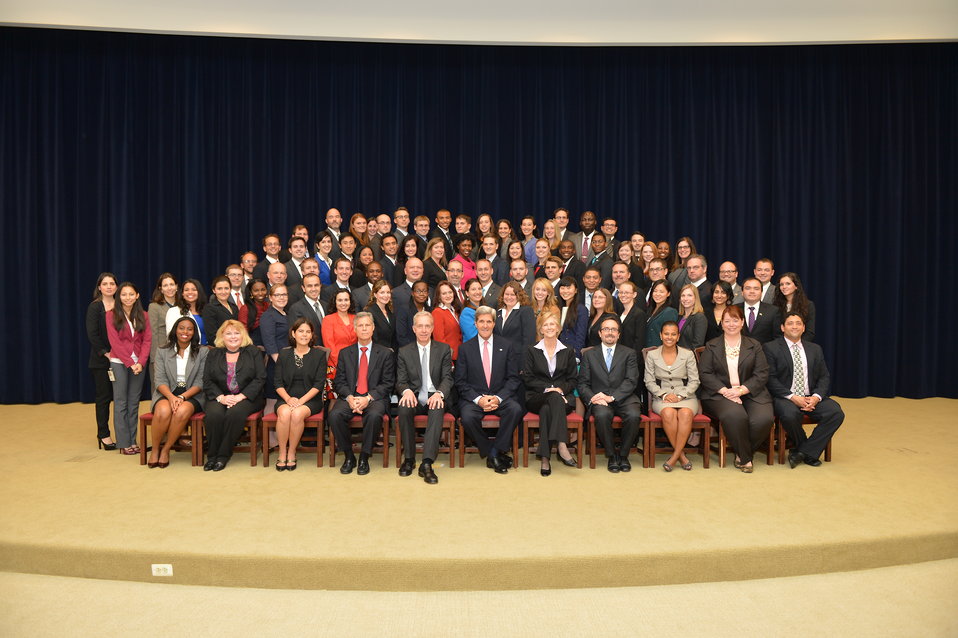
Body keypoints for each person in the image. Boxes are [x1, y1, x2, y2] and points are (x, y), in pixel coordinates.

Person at [698, 305, 774, 473]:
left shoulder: (754, 345)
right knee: (736, 416)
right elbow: (705, 373)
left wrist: (740, 391)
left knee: (764, 419)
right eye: (727, 321)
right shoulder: (712, 345)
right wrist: (725, 391)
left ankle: (742, 453)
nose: (731, 324)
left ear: (742, 322)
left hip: (750, 392)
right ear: (721, 323)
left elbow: (762, 373)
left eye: (735, 320)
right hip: (720, 394)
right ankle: (746, 458)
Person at [764, 312, 843, 468]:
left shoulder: (815, 348)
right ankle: (809, 450)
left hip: (810, 396)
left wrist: (816, 397)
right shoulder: (770, 348)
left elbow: (824, 376)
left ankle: (802, 451)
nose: (795, 326)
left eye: (798, 323)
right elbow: (770, 379)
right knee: (790, 414)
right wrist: (793, 397)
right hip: (784, 396)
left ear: (804, 327)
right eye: (790, 323)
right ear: (782, 327)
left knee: (835, 412)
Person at [455, 306, 524, 473]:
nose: (485, 325)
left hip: (500, 397)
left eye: (488, 322)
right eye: (481, 321)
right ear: (475, 324)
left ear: (494, 324)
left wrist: (498, 398)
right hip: (475, 398)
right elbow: (460, 382)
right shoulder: (465, 348)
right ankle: (493, 452)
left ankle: (494, 452)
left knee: (515, 409)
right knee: (467, 417)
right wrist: (479, 399)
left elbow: (513, 378)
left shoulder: (506, 345)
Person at [329, 313, 396, 475]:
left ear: (373, 328)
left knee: (374, 416)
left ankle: (364, 457)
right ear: (355, 329)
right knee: (335, 415)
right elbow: (339, 382)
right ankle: (349, 456)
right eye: (360, 325)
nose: (364, 329)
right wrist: (350, 397)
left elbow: (388, 383)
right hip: (350, 396)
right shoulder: (345, 353)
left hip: (374, 397)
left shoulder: (385, 353)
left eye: (367, 325)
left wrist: (367, 398)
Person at [577, 315, 643, 472]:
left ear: (619, 334)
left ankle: (624, 455)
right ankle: (612, 455)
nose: (610, 332)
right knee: (602, 415)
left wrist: (612, 397)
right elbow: (582, 383)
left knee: (634, 415)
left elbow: (631, 380)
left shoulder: (629, 353)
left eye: (614, 329)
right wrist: (592, 398)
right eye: (606, 329)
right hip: (600, 399)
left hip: (625, 398)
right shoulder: (589, 355)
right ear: (600, 333)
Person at [396, 311, 454, 484]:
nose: (423, 330)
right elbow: (401, 380)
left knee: (437, 407)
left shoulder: (443, 349)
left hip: (434, 394)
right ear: (413, 329)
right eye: (420, 326)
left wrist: (439, 393)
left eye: (427, 326)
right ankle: (409, 459)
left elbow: (447, 378)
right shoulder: (404, 351)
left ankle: (427, 463)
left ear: (432, 328)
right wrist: (406, 391)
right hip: (413, 395)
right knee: (404, 408)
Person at [202, 320, 266, 471]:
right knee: (214, 415)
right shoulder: (214, 353)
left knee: (234, 413)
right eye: (228, 333)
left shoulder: (253, 352)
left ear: (243, 335)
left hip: (247, 397)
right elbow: (207, 380)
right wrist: (221, 397)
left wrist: (240, 396)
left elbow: (260, 378)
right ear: (222, 336)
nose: (233, 337)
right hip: (219, 396)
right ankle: (212, 456)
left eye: (237, 333)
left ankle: (222, 456)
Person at [522, 313, 578, 476]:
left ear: (558, 328)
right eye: (545, 325)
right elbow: (528, 378)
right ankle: (561, 444)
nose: (549, 327)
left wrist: (560, 390)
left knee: (547, 409)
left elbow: (573, 379)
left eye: (552, 324)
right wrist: (550, 389)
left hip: (562, 398)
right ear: (540, 329)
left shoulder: (568, 351)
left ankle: (545, 458)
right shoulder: (532, 350)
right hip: (537, 397)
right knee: (552, 398)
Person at [148, 316, 209, 467]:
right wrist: (171, 397)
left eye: (189, 329)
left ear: (194, 332)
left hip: (192, 393)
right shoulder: (162, 351)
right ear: (175, 330)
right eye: (181, 328)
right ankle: (155, 449)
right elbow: (159, 380)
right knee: (163, 410)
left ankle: (166, 449)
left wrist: (182, 397)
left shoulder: (202, 352)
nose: (185, 332)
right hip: (167, 391)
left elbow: (200, 382)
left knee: (181, 411)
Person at [645, 321, 701, 471]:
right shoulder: (652, 355)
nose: (669, 337)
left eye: (673, 334)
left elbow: (694, 381)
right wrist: (663, 395)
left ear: (678, 336)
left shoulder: (688, 354)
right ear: (660, 335)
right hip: (662, 397)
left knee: (685, 413)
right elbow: (649, 381)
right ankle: (681, 456)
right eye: (666, 334)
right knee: (668, 413)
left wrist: (681, 396)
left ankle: (674, 457)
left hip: (686, 396)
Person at [273, 318, 328, 471]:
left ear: (312, 335)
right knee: (284, 413)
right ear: (293, 333)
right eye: (301, 331)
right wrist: (288, 399)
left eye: (308, 332)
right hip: (286, 397)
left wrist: (300, 401)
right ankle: (282, 452)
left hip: (310, 399)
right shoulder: (284, 354)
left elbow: (319, 384)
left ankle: (292, 452)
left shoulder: (319, 355)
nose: (304, 335)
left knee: (297, 414)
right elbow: (277, 382)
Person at [106, 282, 152, 455]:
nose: (127, 298)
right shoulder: (110, 315)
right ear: (119, 296)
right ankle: (123, 442)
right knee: (121, 402)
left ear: (137, 296)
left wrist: (141, 362)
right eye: (124, 294)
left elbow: (147, 340)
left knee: (133, 402)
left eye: (131, 294)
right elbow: (115, 342)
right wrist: (130, 363)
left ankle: (133, 440)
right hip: (119, 362)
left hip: (139, 363)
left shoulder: (144, 315)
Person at [86, 272, 118, 450]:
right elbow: (92, 334)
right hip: (101, 361)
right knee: (104, 398)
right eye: (105, 284)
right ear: (99, 287)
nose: (109, 287)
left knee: (121, 399)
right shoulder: (95, 307)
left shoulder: (121, 304)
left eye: (112, 283)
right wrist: (106, 353)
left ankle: (124, 434)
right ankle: (104, 434)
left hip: (122, 359)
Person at [260, 284, 290, 413]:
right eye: (277, 295)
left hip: (288, 361)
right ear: (270, 298)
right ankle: (268, 427)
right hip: (276, 364)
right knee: (272, 400)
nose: (281, 297)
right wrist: (280, 363)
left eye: (284, 294)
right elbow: (269, 342)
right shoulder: (268, 316)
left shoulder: (286, 314)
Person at [147, 273, 178, 389]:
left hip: (180, 354)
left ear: (176, 286)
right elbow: (153, 333)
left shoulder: (183, 305)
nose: (169, 288)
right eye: (165, 285)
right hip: (161, 353)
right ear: (161, 289)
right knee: (159, 388)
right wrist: (155, 359)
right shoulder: (154, 307)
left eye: (172, 284)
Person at [321, 289, 358, 377]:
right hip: (336, 366)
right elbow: (329, 345)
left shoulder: (356, 318)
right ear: (335, 302)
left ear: (350, 301)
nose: (343, 303)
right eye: (340, 300)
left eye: (346, 300)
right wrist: (343, 364)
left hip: (356, 364)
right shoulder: (328, 320)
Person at [772, 272, 817, 342]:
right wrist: (785, 345)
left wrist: (797, 344)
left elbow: (810, 332)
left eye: (788, 284)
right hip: (780, 345)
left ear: (796, 286)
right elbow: (775, 331)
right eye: (781, 284)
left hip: (801, 344)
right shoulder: (775, 305)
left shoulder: (808, 305)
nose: (784, 287)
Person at [737, 277, 782, 344]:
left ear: (761, 292)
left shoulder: (773, 311)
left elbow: (778, 337)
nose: (752, 291)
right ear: (742, 292)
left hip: (764, 350)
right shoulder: (734, 309)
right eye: (748, 288)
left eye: (756, 289)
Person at [286, 273, 326, 343]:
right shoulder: (296, 309)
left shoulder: (326, 305)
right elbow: (296, 335)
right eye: (309, 286)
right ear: (303, 288)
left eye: (316, 285)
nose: (313, 289)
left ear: (320, 286)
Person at [495, 281, 536, 349]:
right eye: (506, 294)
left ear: (519, 296)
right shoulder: (498, 312)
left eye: (513, 295)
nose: (509, 297)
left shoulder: (526, 311)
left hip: (518, 354)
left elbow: (529, 340)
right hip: (500, 354)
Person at [165, 279, 207, 345]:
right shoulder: (174, 311)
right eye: (186, 290)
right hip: (184, 350)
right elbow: (171, 336)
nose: (190, 292)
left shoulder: (207, 310)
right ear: (182, 294)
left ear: (199, 292)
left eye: (194, 289)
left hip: (207, 349)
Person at [202, 275, 239, 345]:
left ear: (230, 289)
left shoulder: (234, 307)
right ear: (214, 290)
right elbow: (211, 336)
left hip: (235, 345)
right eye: (219, 289)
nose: (223, 292)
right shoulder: (209, 308)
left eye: (226, 288)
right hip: (220, 347)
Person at [556, 277, 588, 357]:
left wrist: (576, 355)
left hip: (572, 352)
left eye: (568, 288)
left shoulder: (581, 309)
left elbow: (580, 335)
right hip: (558, 351)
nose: (565, 291)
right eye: (562, 288)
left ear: (576, 290)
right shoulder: (557, 308)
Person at [431, 281, 463, 361]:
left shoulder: (455, 310)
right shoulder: (437, 312)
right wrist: (448, 359)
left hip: (460, 355)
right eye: (444, 293)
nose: (448, 296)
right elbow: (439, 340)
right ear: (439, 296)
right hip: (449, 358)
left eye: (450, 292)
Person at [396, 280, 431, 347]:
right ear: (412, 293)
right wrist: (416, 350)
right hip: (409, 349)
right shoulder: (404, 310)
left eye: (424, 291)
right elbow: (401, 336)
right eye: (418, 291)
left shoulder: (430, 310)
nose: (421, 294)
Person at [366, 279, 397, 352]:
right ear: (375, 294)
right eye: (382, 292)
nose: (386, 295)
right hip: (377, 353)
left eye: (388, 292)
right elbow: (372, 337)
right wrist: (385, 350)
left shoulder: (391, 311)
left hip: (391, 353)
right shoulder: (369, 312)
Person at [646, 280, 679, 347]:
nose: (657, 294)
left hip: (660, 350)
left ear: (668, 293)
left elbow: (670, 336)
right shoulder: (650, 309)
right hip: (648, 349)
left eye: (661, 292)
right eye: (655, 291)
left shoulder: (670, 312)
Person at [238, 279, 269, 347]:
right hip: (253, 345)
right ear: (251, 293)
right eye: (256, 291)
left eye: (263, 290)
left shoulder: (269, 306)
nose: (260, 293)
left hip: (268, 343)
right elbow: (243, 331)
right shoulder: (245, 308)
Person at [676, 283, 707, 350]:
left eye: (689, 295)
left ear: (696, 298)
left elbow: (698, 344)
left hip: (690, 355)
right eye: (683, 295)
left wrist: (685, 355)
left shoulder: (700, 317)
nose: (685, 299)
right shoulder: (679, 317)